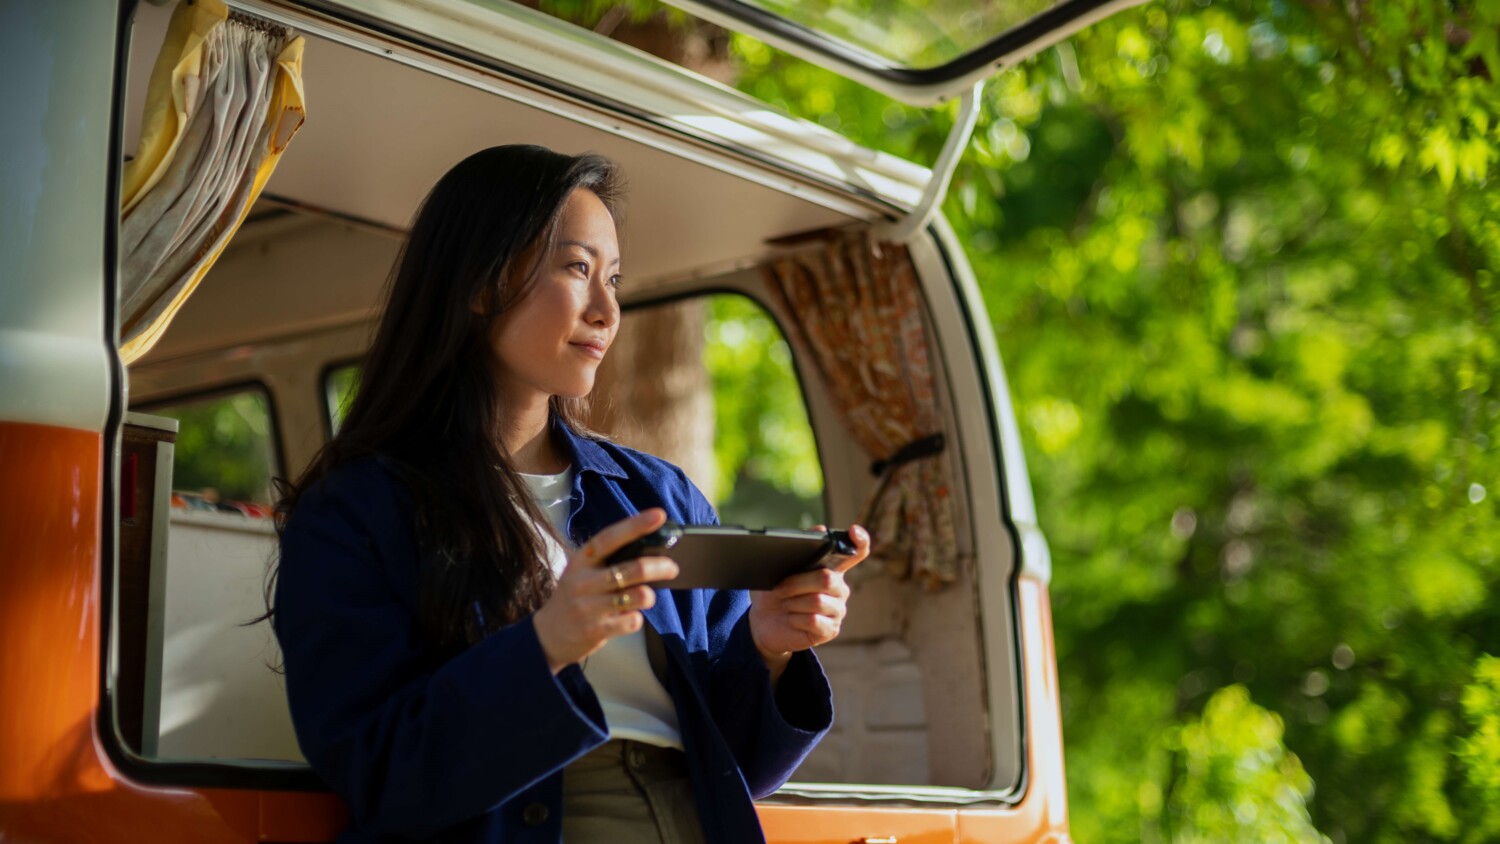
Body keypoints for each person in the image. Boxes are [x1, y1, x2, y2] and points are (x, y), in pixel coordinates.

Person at [271, 144, 870, 844]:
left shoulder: (661, 493)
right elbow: (379, 772)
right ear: (480, 283)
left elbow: (737, 762)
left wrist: (767, 649)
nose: (606, 310)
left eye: (613, 279)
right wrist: (546, 645)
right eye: (578, 269)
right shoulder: (354, 511)